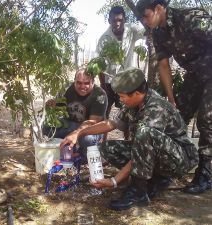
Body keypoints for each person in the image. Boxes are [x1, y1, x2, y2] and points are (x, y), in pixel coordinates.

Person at [61, 68, 198, 210]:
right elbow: (111, 124)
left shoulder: (156, 108)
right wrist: (78, 133)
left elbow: (143, 148)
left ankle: (138, 191)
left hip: (180, 158)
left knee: (144, 133)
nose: (120, 100)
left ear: (137, 93)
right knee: (108, 148)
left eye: (123, 96)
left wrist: (114, 181)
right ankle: (157, 178)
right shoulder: (134, 103)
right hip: (157, 154)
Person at [136, 0, 212, 194]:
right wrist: (171, 99)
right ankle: (168, 169)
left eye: (146, 15)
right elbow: (163, 65)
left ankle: (205, 174)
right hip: (195, 74)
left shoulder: (189, 18)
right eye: (141, 18)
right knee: (177, 116)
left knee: (207, 120)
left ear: (159, 8)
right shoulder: (159, 33)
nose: (144, 21)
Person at [44, 68, 108, 159]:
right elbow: (60, 106)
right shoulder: (68, 88)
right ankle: (64, 150)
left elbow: (92, 122)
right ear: (74, 81)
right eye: (79, 83)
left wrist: (76, 134)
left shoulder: (100, 95)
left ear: (93, 82)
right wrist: (52, 105)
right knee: (46, 127)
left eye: (86, 83)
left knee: (87, 139)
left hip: (92, 129)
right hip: (71, 124)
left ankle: (83, 156)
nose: (82, 86)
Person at [96, 5, 145, 117]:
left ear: (125, 20)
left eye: (120, 20)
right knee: (105, 112)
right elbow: (99, 65)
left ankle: (127, 135)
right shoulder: (104, 39)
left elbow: (146, 31)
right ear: (109, 21)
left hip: (127, 82)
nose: (117, 23)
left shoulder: (132, 30)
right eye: (114, 20)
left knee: (128, 113)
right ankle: (103, 135)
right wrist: (103, 87)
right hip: (110, 83)